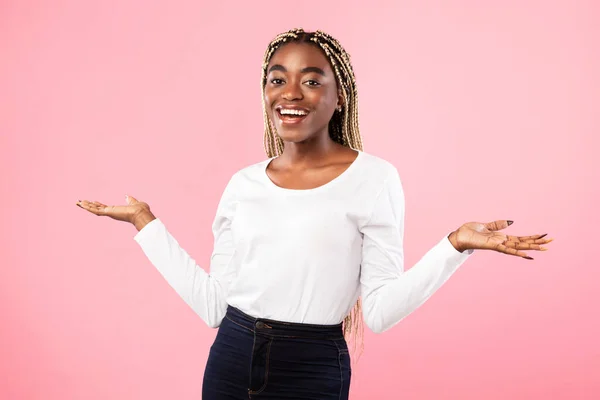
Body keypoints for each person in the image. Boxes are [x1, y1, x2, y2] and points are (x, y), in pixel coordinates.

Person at [76, 28, 552, 399]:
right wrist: (146, 224)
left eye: (311, 80)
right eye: (278, 79)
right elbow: (213, 308)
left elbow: (381, 313)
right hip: (230, 360)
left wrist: (455, 245)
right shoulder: (242, 185)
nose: (291, 92)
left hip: (312, 366)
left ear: (339, 94)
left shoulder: (375, 179)